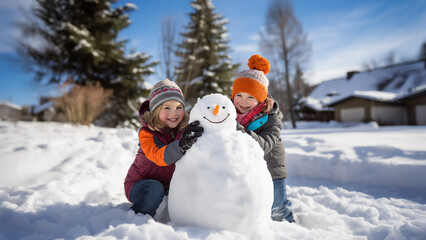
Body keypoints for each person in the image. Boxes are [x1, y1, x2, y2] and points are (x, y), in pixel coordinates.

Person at [124, 79, 204, 217]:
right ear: (155, 111)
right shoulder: (147, 134)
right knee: (154, 188)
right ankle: (138, 220)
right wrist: (181, 145)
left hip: (170, 187)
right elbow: (158, 156)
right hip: (141, 185)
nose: (174, 113)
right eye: (166, 108)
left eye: (179, 107)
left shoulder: (184, 131)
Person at [231, 54, 295, 223]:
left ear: (260, 99)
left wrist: (240, 131)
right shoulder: (228, 112)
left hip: (271, 168)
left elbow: (265, 145)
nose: (243, 102)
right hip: (245, 168)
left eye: (251, 97)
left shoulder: (271, 117)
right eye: (239, 95)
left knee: (276, 207)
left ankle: (290, 226)